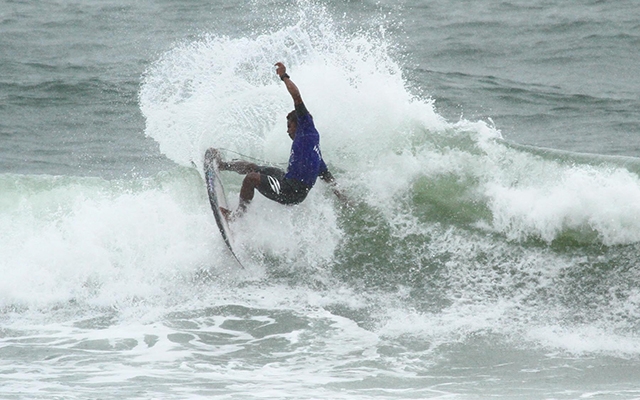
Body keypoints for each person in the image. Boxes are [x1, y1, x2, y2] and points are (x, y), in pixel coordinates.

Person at [210, 62, 345, 220]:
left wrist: (284, 76)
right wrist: (341, 195)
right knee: (253, 167)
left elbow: (296, 96)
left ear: (299, 124)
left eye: (290, 126)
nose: (288, 130)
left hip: (291, 192)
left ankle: (236, 216)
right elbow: (327, 176)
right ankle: (222, 165)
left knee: (252, 178)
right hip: (287, 180)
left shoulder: (306, 130)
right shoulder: (313, 148)